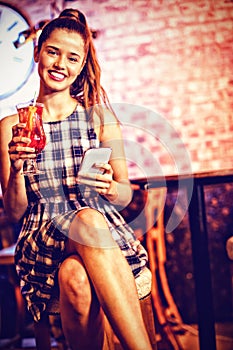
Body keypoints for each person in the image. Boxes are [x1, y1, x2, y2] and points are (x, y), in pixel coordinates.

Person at [0, 8, 154, 350]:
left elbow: (125, 195)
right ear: (38, 52)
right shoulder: (12, 126)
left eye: (73, 57)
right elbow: (13, 213)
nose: (60, 64)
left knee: (75, 275)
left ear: (83, 64)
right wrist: (16, 167)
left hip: (102, 233)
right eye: (53, 52)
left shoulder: (100, 117)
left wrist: (111, 188)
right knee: (85, 218)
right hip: (42, 239)